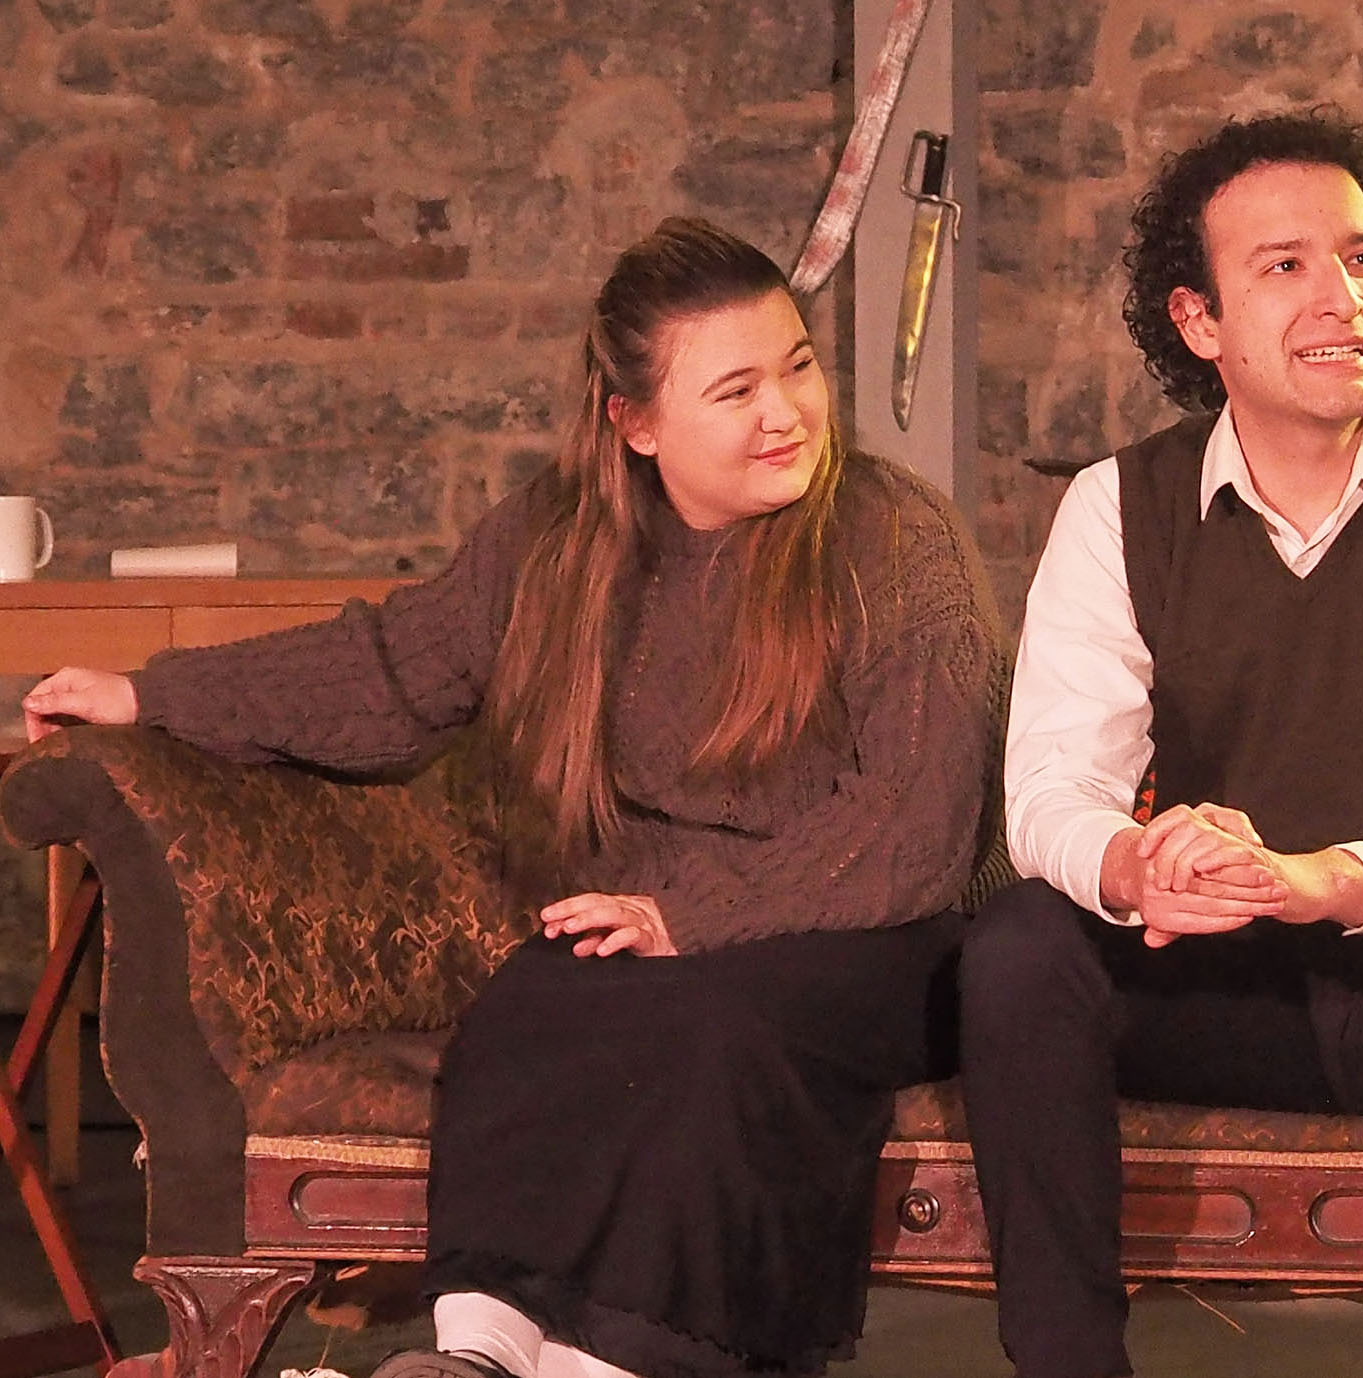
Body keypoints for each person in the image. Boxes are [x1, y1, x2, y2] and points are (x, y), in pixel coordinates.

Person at [24, 218, 1006, 1378]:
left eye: (796, 367)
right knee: (531, 1001)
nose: (785, 413)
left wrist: (686, 918)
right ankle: (475, 1353)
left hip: (882, 934)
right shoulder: (560, 540)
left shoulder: (894, 534)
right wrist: (151, 694)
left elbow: (919, 820)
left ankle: (616, 1368)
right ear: (633, 423)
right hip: (662, 934)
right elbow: (390, 671)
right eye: (735, 388)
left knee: (714, 1031)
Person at [957, 109, 1363, 1378]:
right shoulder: (1118, 506)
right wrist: (1140, 865)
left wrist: (1323, 880)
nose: (1342, 301)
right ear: (1197, 323)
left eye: (1360, 260)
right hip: (1204, 979)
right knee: (1020, 945)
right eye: (1285, 266)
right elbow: (1046, 787)